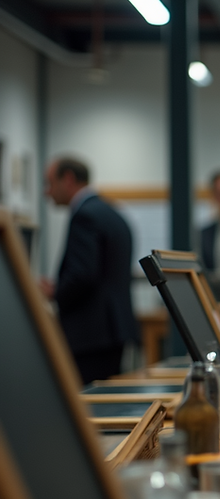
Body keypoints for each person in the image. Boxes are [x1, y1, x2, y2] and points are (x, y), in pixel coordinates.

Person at [40, 157, 139, 384]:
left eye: (49, 183)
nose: (47, 192)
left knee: (89, 408)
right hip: (113, 331)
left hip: (90, 335)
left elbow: (83, 276)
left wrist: (55, 293)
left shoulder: (85, 215)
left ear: (68, 179)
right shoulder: (113, 213)